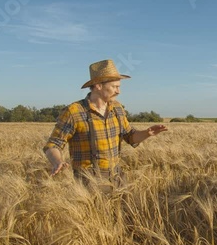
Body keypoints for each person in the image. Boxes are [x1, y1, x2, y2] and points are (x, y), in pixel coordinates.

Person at [43, 59, 167, 191]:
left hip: (117, 178)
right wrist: (57, 162)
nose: (118, 91)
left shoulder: (117, 108)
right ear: (98, 85)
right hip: (88, 182)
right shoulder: (74, 112)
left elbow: (130, 136)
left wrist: (147, 133)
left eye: (119, 87)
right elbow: (53, 145)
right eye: (114, 86)